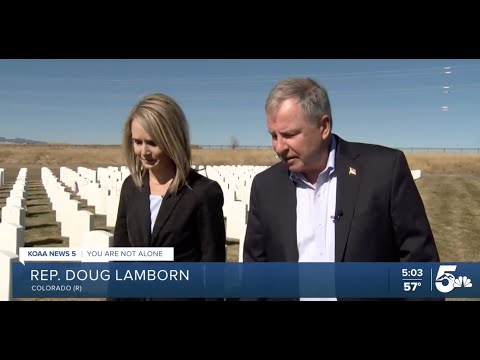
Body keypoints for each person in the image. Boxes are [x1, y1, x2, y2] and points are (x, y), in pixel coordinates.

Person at [243, 78, 441, 301]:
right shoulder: (265, 186)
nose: (279, 147)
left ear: (323, 126)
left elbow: (420, 266)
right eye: (273, 135)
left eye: (289, 135)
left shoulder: (384, 170)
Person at [112, 93, 226, 300]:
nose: (143, 151)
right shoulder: (131, 187)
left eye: (152, 143)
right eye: (137, 142)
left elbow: (213, 268)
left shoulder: (202, 193)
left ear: (172, 140)